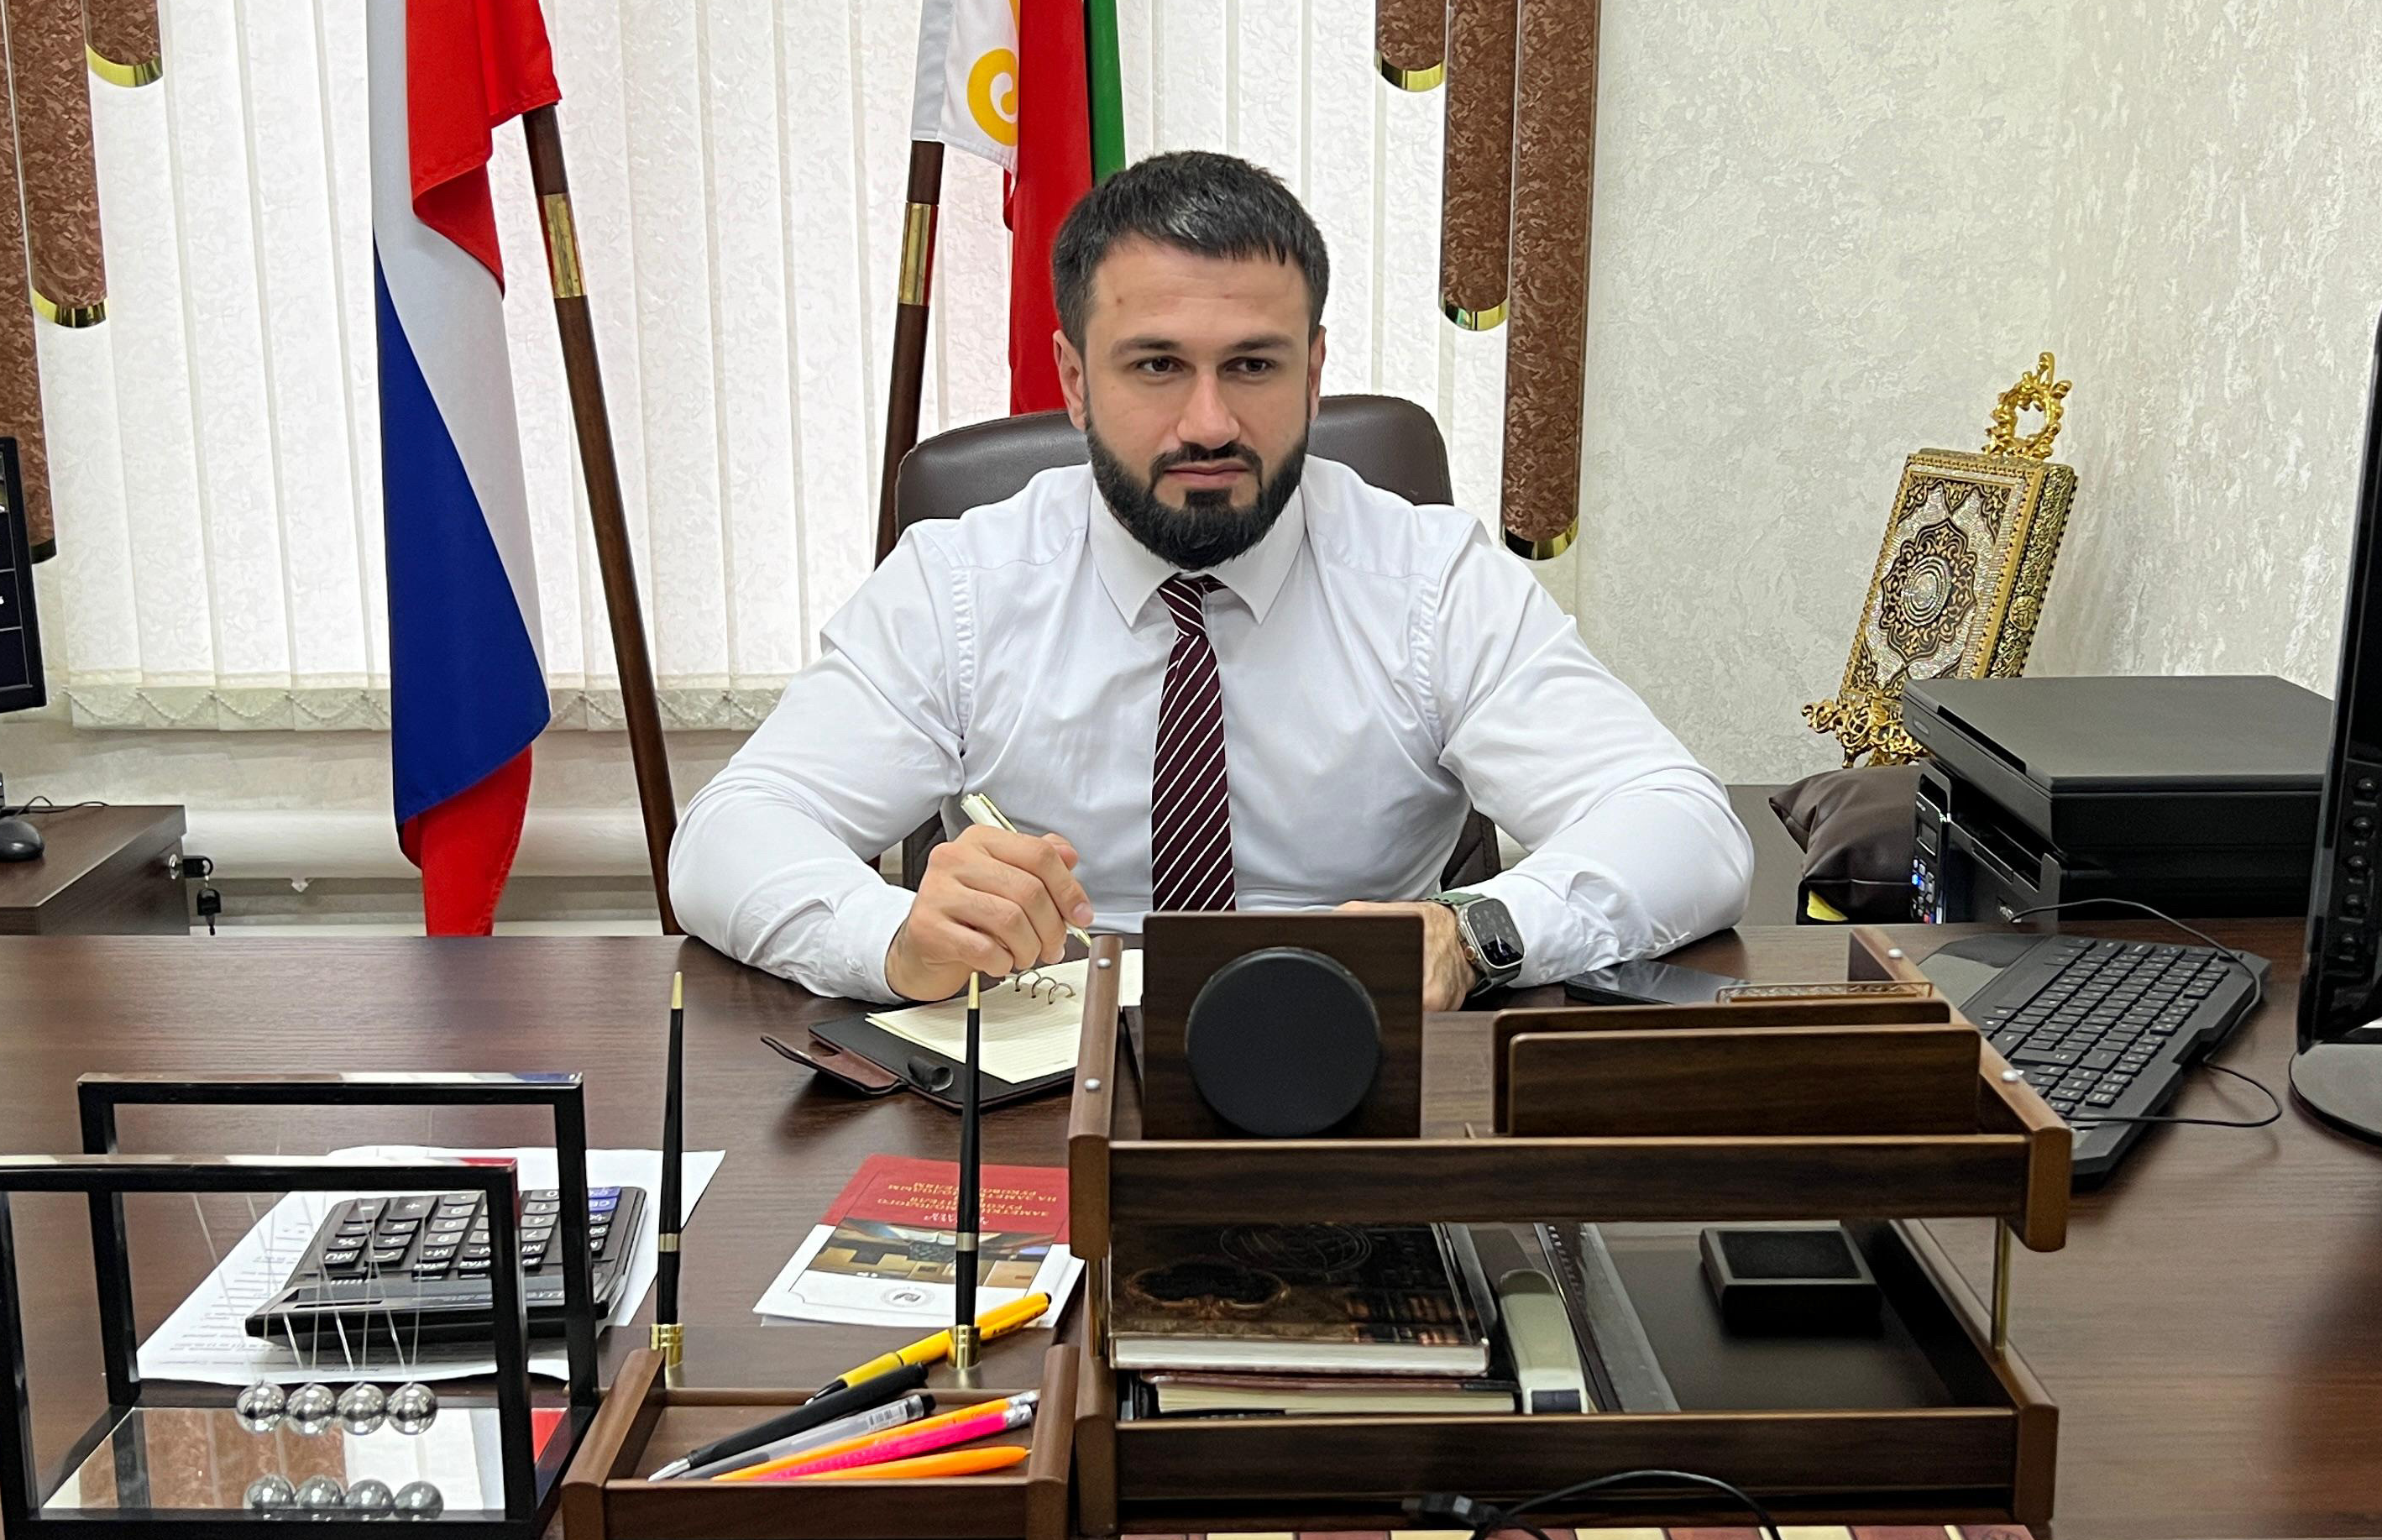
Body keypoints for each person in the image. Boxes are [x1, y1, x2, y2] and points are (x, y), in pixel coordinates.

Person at [668, 150, 1751, 1008]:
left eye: (1252, 365)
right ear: (1074, 380)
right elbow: (730, 834)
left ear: (1314, 374)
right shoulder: (960, 584)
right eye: (1156, 366)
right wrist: (893, 937)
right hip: (1042, 1077)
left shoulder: (1432, 579)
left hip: (1351, 1062)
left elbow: (1681, 824)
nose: (1208, 424)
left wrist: (1473, 936)